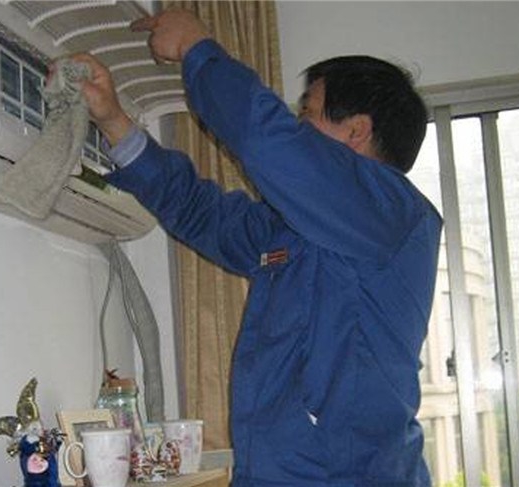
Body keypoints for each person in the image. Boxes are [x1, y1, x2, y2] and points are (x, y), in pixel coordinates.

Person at [72, 8, 442, 487]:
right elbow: (203, 213)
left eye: (306, 115)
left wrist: (196, 49)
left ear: (355, 131)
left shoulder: (393, 213)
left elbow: (268, 142)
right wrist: (114, 122)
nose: (296, 126)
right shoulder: (295, 229)